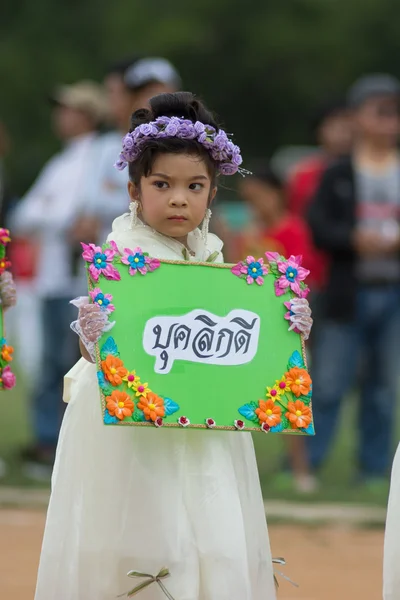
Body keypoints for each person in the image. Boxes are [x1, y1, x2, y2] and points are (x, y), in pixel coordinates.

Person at [32, 92, 306, 600]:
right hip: (130, 431)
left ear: (212, 193)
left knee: (212, 527)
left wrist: (285, 325)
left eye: (194, 186)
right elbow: (103, 352)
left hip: (205, 422)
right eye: (163, 185)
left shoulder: (216, 257)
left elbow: (238, 344)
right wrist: (93, 335)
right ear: (135, 190)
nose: (179, 198)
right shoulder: (123, 256)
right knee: (144, 528)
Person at [307, 74, 400, 490]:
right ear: (358, 117)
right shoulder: (338, 171)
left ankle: (374, 469)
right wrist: (351, 239)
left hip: (393, 293)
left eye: (393, 111)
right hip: (348, 291)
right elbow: (318, 226)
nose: (388, 120)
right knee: (328, 382)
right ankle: (307, 466)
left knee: (383, 387)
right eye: (378, 111)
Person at [10, 80, 107, 475]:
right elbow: (23, 216)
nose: (60, 116)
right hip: (55, 274)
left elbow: (75, 213)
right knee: (52, 362)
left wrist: (50, 213)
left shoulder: (101, 154)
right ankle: (48, 442)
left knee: (76, 364)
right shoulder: (61, 161)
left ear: (85, 114)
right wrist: (56, 215)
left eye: (68, 109)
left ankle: (69, 443)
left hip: (83, 278)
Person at [231, 166, 315, 493]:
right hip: (249, 324)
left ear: (277, 195)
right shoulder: (247, 234)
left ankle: (300, 470)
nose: (255, 206)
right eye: (249, 200)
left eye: (259, 197)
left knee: (292, 396)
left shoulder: (292, 230)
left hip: (283, 325)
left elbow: (301, 276)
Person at [77, 56, 181, 243]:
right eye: (145, 94)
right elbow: (88, 206)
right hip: (111, 257)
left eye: (161, 93)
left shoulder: (189, 148)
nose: (154, 101)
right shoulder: (106, 147)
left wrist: (119, 194)